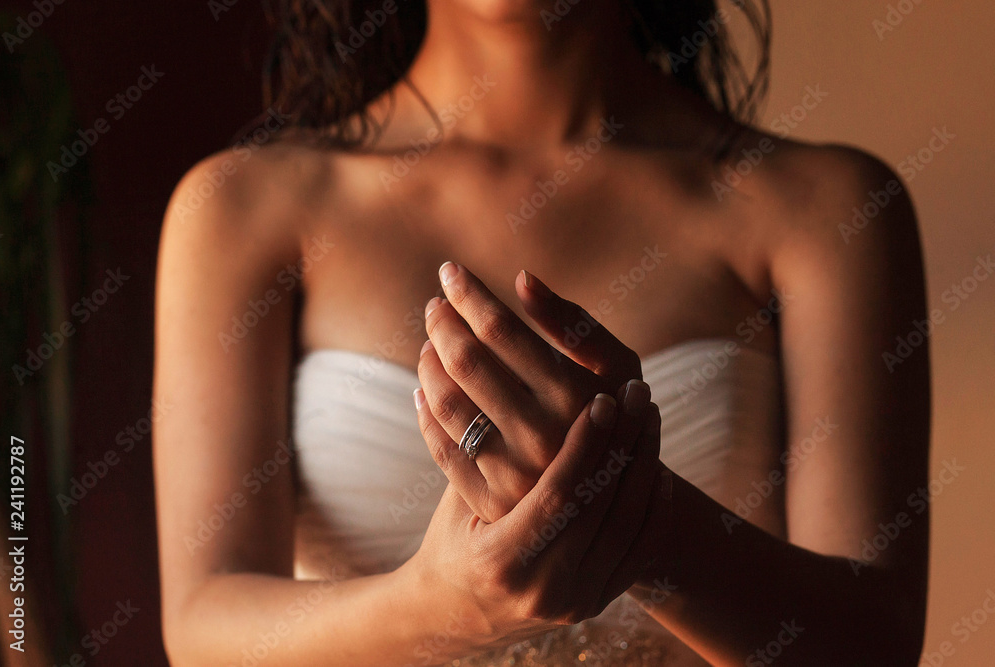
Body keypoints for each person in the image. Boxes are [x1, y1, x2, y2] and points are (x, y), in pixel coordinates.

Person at [152, 0, 931, 664]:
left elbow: (875, 638)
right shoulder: (239, 210)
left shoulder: (825, 210)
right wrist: (442, 604)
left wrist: (649, 527)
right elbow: (203, 625)